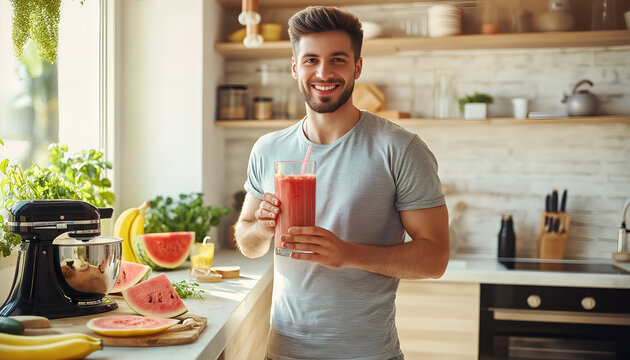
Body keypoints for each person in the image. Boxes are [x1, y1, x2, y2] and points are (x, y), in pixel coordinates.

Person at [234, 6, 449, 360]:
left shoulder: (399, 148)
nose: (323, 72)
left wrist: (346, 254)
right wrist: (262, 227)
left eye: (337, 59)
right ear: (294, 67)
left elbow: (435, 258)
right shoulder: (268, 148)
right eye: (310, 60)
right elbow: (248, 242)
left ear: (357, 67)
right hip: (284, 351)